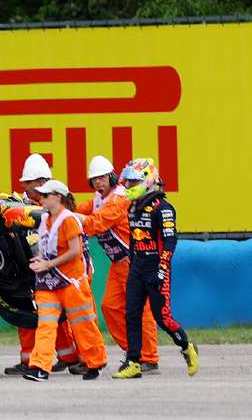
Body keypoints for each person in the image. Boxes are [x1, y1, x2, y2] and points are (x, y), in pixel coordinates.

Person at [112, 158, 199, 379]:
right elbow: (133, 240)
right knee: (131, 314)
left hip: (157, 269)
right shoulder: (132, 208)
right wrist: (133, 263)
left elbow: (171, 241)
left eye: (133, 182)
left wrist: (161, 269)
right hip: (137, 269)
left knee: (163, 319)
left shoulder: (164, 207)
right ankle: (133, 362)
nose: (128, 187)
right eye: (128, 182)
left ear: (147, 181)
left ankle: (187, 346)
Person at [73, 155, 159, 375]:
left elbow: (96, 223)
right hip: (118, 263)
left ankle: (149, 358)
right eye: (94, 180)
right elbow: (82, 209)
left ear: (111, 176)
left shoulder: (120, 198)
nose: (98, 183)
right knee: (109, 307)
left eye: (102, 178)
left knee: (142, 311)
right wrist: (59, 210)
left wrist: (67, 218)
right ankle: (134, 353)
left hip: (134, 261)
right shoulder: (98, 199)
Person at [0, 154, 79, 376]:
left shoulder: (56, 205)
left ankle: (70, 356)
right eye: (24, 183)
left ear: (43, 182)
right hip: (30, 269)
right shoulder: (20, 202)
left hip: (55, 269)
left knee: (62, 318)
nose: (25, 187)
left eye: (29, 183)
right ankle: (30, 360)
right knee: (27, 315)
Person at [23, 179, 108, 381]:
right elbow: (48, 250)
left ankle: (95, 362)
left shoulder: (68, 220)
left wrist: (47, 265)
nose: (41, 199)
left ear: (57, 197)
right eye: (40, 195)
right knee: (45, 324)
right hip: (49, 283)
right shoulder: (45, 221)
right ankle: (40, 367)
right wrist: (40, 260)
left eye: (45, 196)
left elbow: (75, 252)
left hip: (71, 282)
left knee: (83, 324)